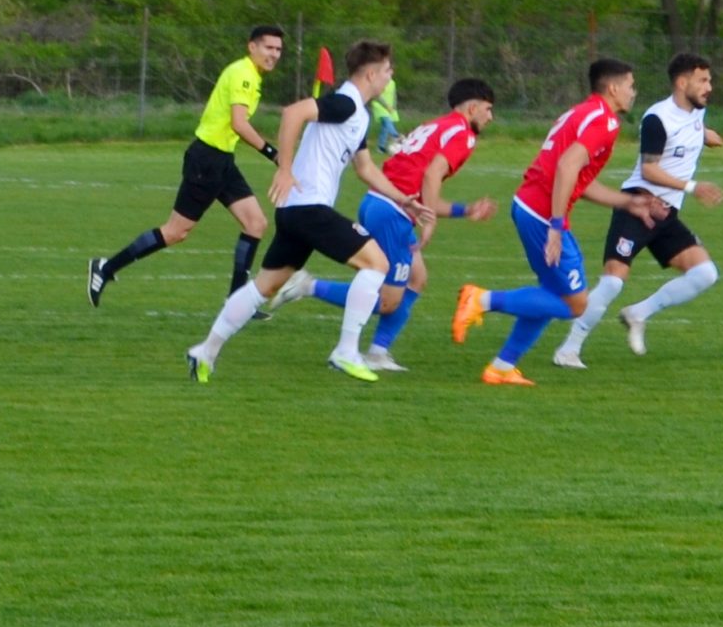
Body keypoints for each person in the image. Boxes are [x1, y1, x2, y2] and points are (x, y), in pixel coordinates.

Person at [186, 40, 424, 384]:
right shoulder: (343, 102)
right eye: (388, 71)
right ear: (371, 74)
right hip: (309, 208)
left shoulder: (359, 112)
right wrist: (285, 168)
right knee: (378, 264)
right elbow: (293, 113)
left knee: (264, 287)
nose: (390, 78)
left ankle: (205, 351)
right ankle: (346, 351)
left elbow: (366, 169)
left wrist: (403, 199)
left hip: (297, 211)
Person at [451, 58, 653, 387]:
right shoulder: (604, 121)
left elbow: (577, 179)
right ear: (613, 88)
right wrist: (556, 227)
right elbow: (566, 168)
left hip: (531, 206)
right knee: (575, 303)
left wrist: (628, 201)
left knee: (551, 292)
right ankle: (481, 300)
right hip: (542, 214)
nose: (634, 92)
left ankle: (502, 366)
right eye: (631, 86)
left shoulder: (580, 112)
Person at [293, 77, 499, 370]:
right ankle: (308, 286)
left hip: (382, 204)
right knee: (388, 299)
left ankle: (378, 353)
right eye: (489, 109)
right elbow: (431, 176)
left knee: (417, 278)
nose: (490, 117)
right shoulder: (463, 134)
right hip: (392, 212)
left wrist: (465, 210)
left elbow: (423, 186)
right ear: (473, 107)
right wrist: (428, 222)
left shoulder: (437, 125)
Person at [89, 24, 284, 308]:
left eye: (279, 50)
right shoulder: (244, 75)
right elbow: (239, 124)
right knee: (175, 232)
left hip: (222, 159)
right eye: (269, 48)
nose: (275, 54)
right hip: (206, 160)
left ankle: (236, 301)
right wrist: (274, 154)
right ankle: (105, 268)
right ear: (251, 46)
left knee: (256, 223)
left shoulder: (249, 73)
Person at [556, 52, 723, 367]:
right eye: (703, 80)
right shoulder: (656, 118)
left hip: (666, 214)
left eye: (709, 80)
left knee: (705, 273)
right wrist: (693, 187)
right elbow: (650, 169)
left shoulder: (696, 113)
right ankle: (569, 349)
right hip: (637, 205)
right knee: (613, 281)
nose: (709, 87)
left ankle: (638, 313)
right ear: (682, 82)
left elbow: (690, 127)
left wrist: (707, 136)